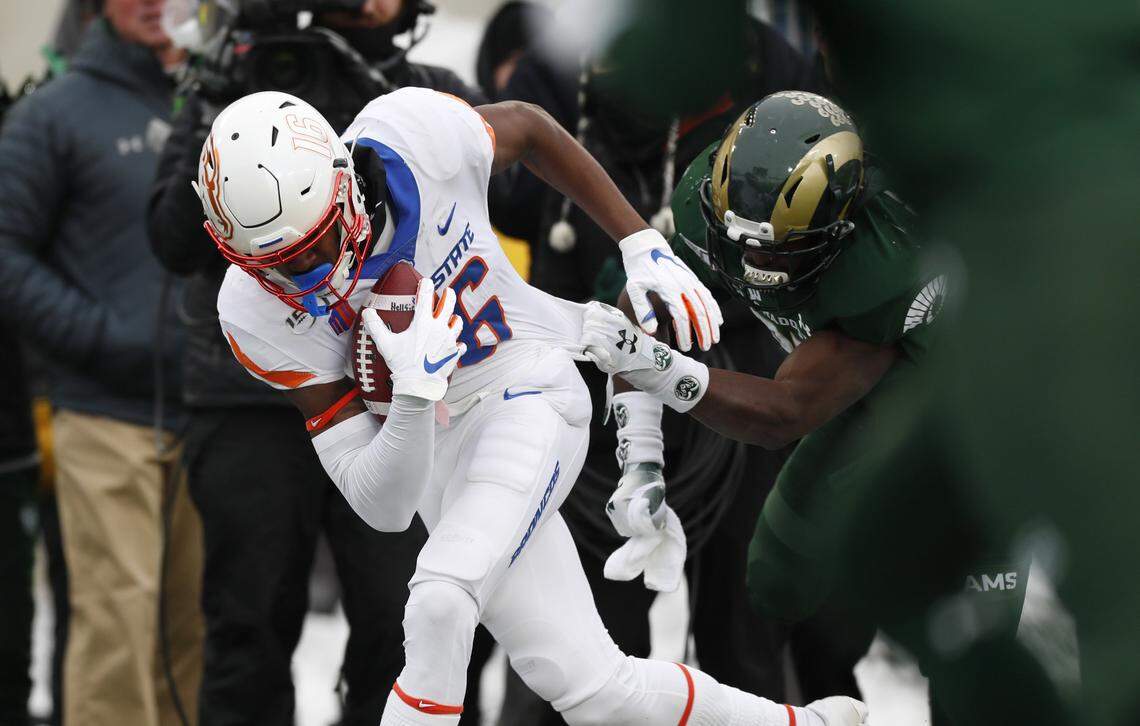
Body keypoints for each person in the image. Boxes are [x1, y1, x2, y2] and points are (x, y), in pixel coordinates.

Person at [194, 86, 868, 726]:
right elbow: (386, 507)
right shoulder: (253, 314)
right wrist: (412, 397)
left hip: (528, 387)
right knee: (596, 690)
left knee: (438, 602)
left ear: (344, 184)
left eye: (319, 244)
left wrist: (637, 240)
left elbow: (533, 127)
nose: (311, 276)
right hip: (434, 445)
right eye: (281, 264)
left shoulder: (415, 136)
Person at [147, 2, 491, 724]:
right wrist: (221, 97)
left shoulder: (414, 84)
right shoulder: (230, 86)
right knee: (247, 628)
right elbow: (173, 239)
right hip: (246, 397)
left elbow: (503, 196)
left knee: (400, 625)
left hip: (388, 393)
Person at [0, 2, 204, 725]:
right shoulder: (54, 114)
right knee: (117, 626)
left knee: (194, 640)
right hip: (100, 416)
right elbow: (7, 253)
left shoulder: (223, 106)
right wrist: (97, 339)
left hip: (209, 414)